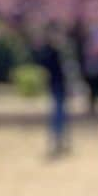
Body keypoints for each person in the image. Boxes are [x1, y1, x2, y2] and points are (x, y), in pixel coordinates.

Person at [34, 25, 70, 158]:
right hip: (55, 86)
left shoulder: (62, 51)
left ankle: (61, 141)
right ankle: (57, 140)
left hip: (62, 86)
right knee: (57, 114)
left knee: (62, 115)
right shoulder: (49, 52)